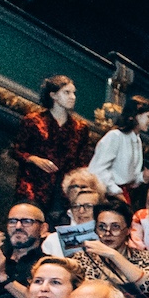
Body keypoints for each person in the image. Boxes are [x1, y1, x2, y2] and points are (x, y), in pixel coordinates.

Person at [11, 76, 93, 210]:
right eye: (67, 92)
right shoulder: (34, 121)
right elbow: (16, 150)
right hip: (34, 183)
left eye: (73, 93)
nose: (72, 97)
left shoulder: (80, 127)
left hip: (64, 189)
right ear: (53, 95)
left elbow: (82, 161)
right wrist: (34, 159)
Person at [86, 96, 149, 197]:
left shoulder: (137, 140)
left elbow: (127, 177)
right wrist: (115, 191)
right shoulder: (115, 136)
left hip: (122, 193)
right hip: (105, 194)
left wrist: (141, 177)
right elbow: (97, 169)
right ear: (135, 115)